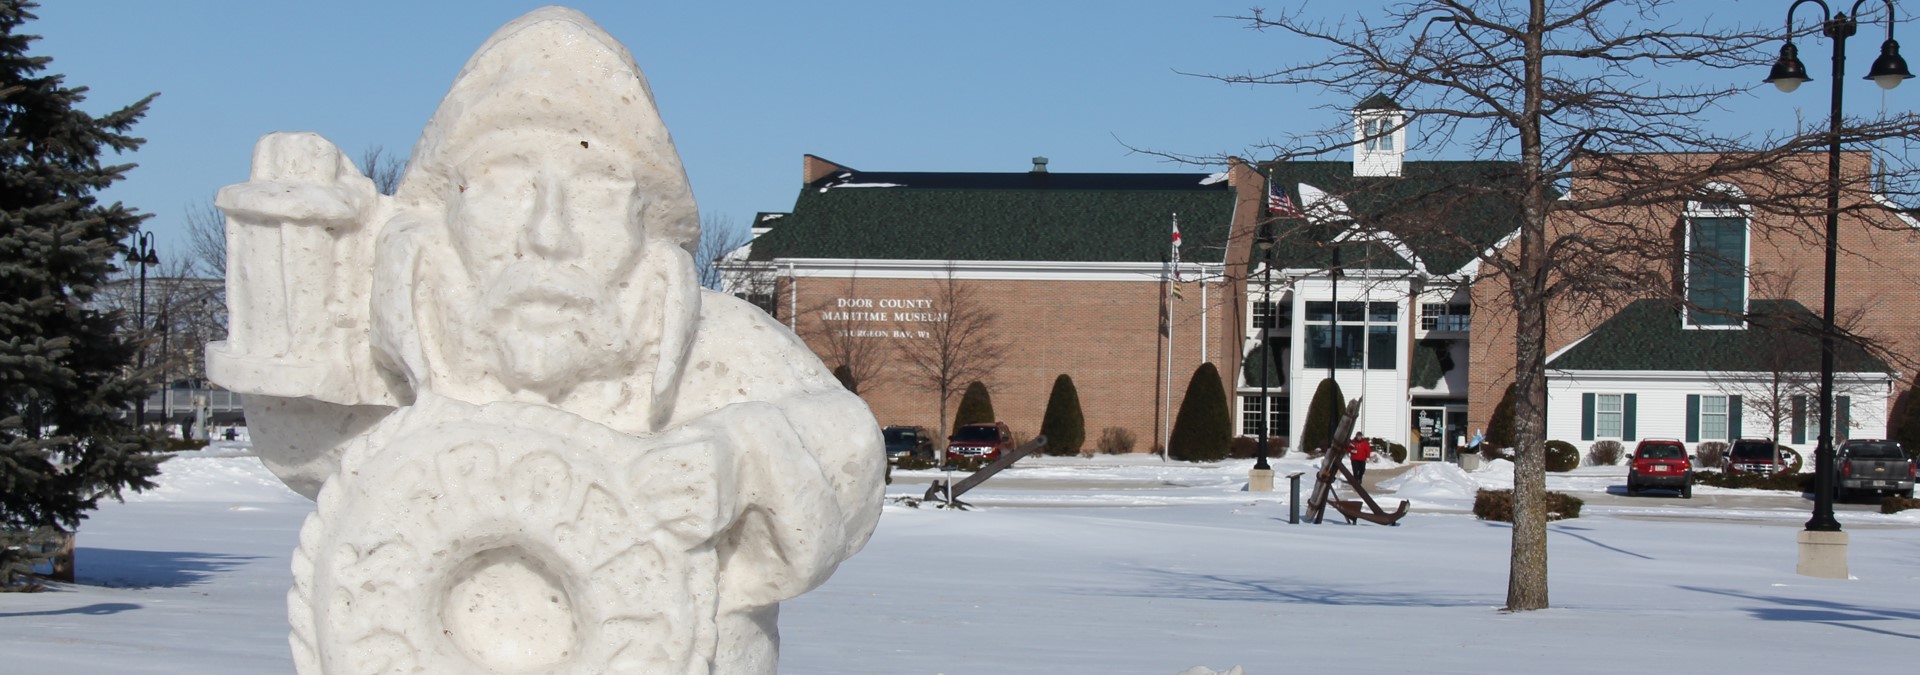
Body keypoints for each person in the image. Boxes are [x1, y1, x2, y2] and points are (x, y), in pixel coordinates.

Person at [206, 9, 882, 674]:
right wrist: (304, 265)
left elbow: (847, 451)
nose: (547, 232)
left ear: (643, 215)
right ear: (450, 207)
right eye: (506, 184)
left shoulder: (718, 348)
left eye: (592, 187)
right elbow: (304, 445)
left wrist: (742, 460)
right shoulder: (405, 354)